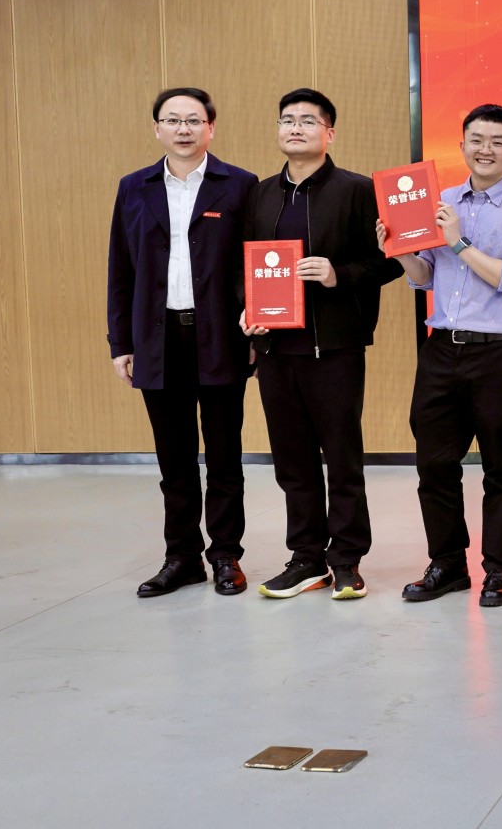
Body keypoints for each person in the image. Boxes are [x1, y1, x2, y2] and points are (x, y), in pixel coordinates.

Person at [240, 88, 402, 601]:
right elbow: (243, 264)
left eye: (308, 121)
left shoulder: (357, 191)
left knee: (343, 458)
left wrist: (338, 275)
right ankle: (306, 558)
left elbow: (390, 262)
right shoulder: (260, 195)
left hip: (333, 349)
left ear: (329, 133)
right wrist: (247, 308)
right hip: (275, 352)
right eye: (287, 119)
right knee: (293, 463)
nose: (295, 128)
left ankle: (347, 559)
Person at [388, 105, 502, 609]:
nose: (485, 149)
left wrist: (457, 242)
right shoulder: (441, 202)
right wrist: (400, 250)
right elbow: (424, 279)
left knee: (500, 464)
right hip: (440, 350)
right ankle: (447, 564)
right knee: (434, 463)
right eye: (476, 139)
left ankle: (499, 569)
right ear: (461, 145)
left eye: (497, 141)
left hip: (498, 354)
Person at [107, 87, 259, 598]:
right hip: (157, 338)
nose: (183, 129)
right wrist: (120, 341)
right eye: (172, 120)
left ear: (211, 128)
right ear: (157, 129)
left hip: (220, 336)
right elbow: (120, 269)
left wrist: (257, 325)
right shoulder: (134, 187)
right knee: (173, 459)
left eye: (194, 120)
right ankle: (182, 557)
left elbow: (252, 263)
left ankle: (226, 556)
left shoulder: (239, 185)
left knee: (224, 456)